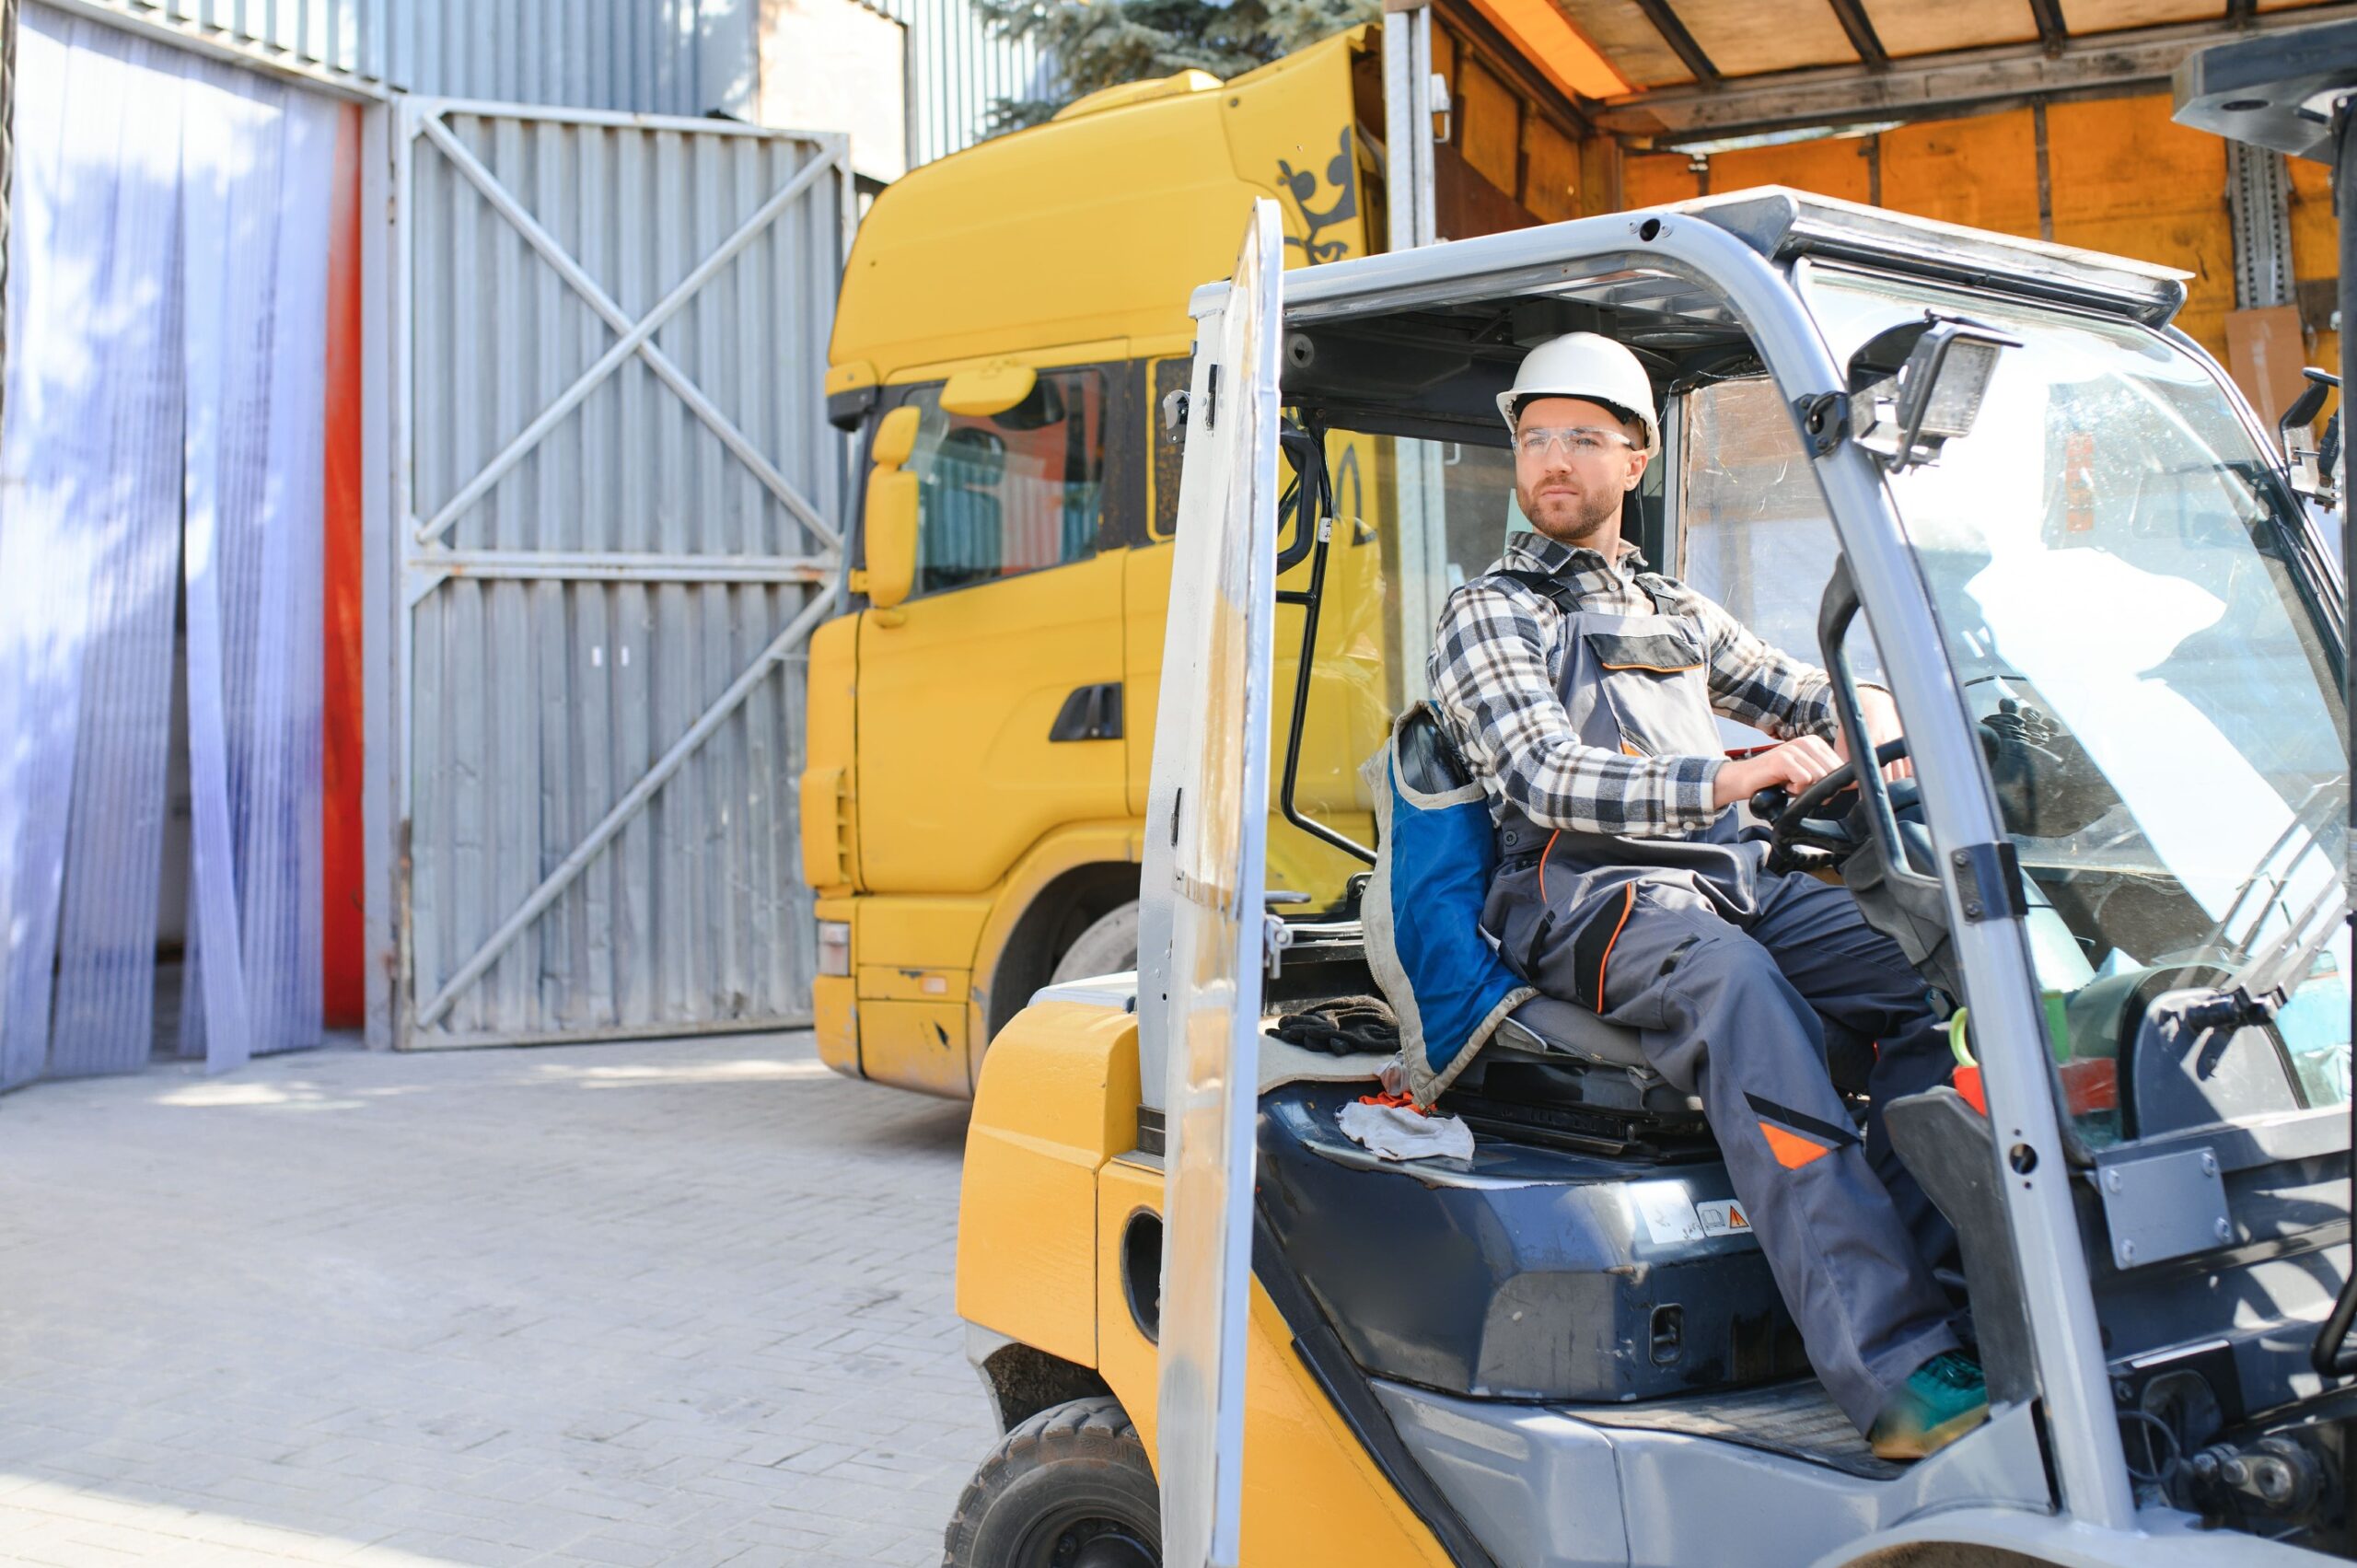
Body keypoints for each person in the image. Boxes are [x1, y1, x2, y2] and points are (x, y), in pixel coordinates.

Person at [1427, 331, 1988, 1460]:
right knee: (1749, 1004)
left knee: (1917, 984)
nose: (1553, 460)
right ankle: (1889, 1364)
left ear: (1633, 458)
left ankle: (1958, 1307)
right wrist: (1735, 774)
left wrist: (1895, 720)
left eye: (1583, 438)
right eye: (1536, 438)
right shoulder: (1487, 612)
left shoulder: (1672, 608)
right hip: (1586, 894)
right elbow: (1546, 775)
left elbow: (1799, 690)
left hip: (1725, 876)